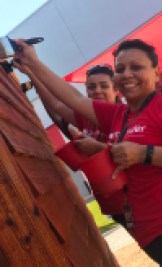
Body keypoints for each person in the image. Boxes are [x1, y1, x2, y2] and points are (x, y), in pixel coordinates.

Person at [14, 38, 162, 267]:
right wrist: (33, 63)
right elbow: (71, 99)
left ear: (156, 72)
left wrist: (144, 153)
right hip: (153, 236)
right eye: (120, 69)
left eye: (137, 67)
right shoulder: (117, 115)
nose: (127, 74)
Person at [13, 60, 126, 222]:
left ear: (116, 89)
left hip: (137, 198)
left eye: (104, 86)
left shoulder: (125, 116)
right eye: (92, 87)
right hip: (113, 203)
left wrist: (97, 148)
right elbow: (57, 107)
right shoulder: (86, 118)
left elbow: (136, 155)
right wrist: (31, 74)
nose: (97, 91)